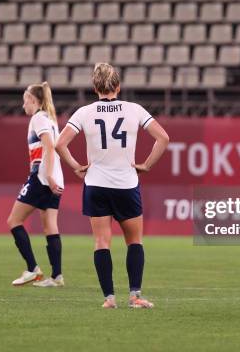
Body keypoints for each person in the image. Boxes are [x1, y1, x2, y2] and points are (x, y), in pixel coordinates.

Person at [56, 63, 169, 308]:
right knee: (135, 241)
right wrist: (146, 165)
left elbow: (59, 144)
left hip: (96, 184)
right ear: (118, 86)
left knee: (101, 242)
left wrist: (76, 166)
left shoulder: (84, 113)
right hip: (126, 184)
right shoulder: (134, 109)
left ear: (95, 87)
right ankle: (135, 296)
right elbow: (163, 138)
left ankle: (109, 299)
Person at [7, 82, 65, 288]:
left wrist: (47, 176)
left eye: (25, 101)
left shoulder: (38, 118)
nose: (24, 105)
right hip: (56, 178)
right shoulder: (50, 119)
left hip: (42, 178)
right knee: (50, 225)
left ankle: (32, 269)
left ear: (33, 100)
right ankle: (57, 276)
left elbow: (49, 146)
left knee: (14, 221)